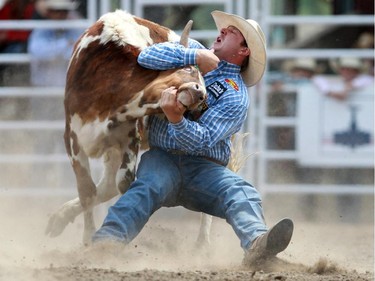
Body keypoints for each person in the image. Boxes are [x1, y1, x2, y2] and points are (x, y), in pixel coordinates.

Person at [92, 10, 294, 266]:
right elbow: (146, 56)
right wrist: (194, 55)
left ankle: (257, 245)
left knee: (241, 191)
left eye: (233, 32)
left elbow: (204, 139)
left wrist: (176, 119)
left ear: (244, 51)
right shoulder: (193, 52)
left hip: (202, 168)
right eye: (225, 28)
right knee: (148, 187)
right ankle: (105, 243)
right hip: (165, 159)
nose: (223, 30)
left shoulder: (235, 95)